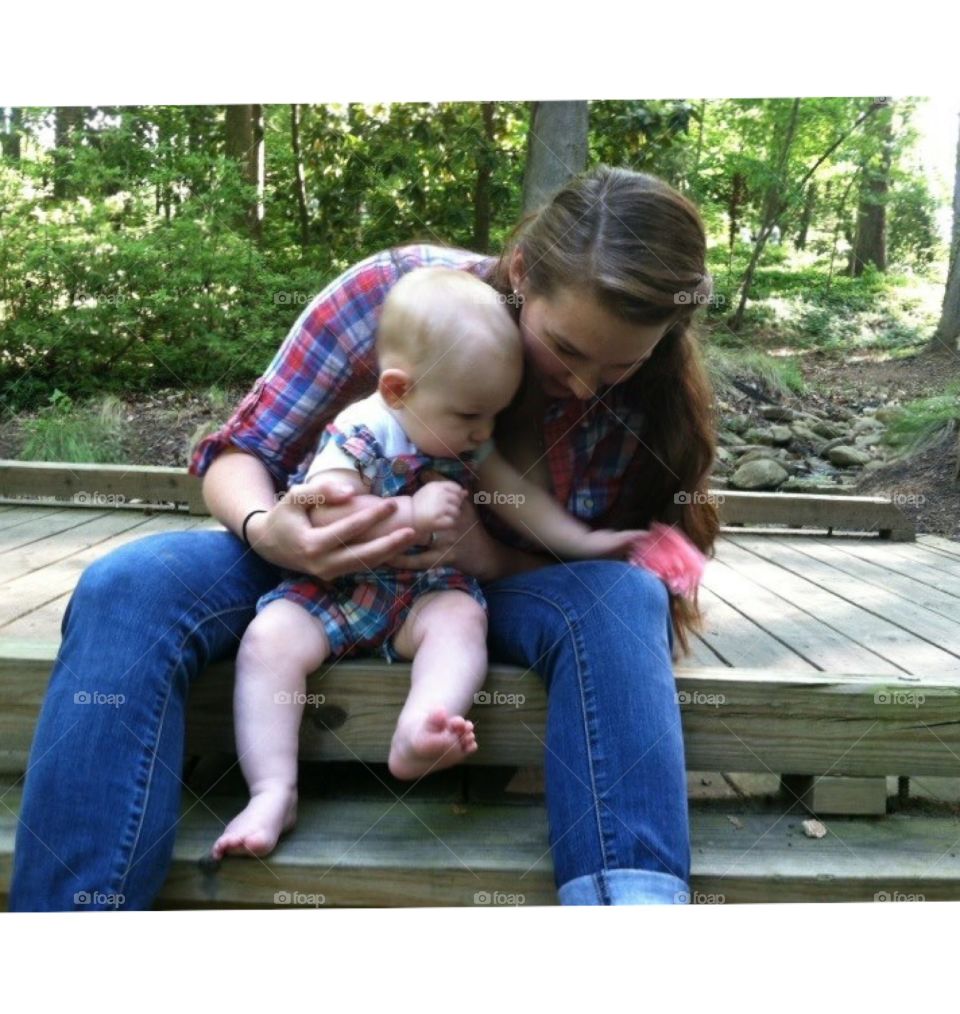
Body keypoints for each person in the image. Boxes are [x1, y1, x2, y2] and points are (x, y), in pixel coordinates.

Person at [9, 164, 718, 910]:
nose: (584, 386)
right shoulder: (392, 296)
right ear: (521, 274)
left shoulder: (645, 393)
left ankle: (633, 909)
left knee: (623, 599)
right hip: (309, 570)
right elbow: (238, 454)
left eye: (620, 366)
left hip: (471, 595)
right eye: (567, 351)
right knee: (131, 585)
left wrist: (486, 557)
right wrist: (270, 530)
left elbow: (579, 565)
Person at [210, 266, 646, 859]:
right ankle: (271, 789)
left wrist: (585, 544)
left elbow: (518, 501)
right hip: (337, 589)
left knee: (462, 620)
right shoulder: (359, 435)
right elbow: (327, 519)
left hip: (425, 591)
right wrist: (411, 513)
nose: (483, 433)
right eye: (470, 418)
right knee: (268, 642)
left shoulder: (464, 427)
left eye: (494, 416)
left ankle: (423, 727)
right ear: (398, 390)